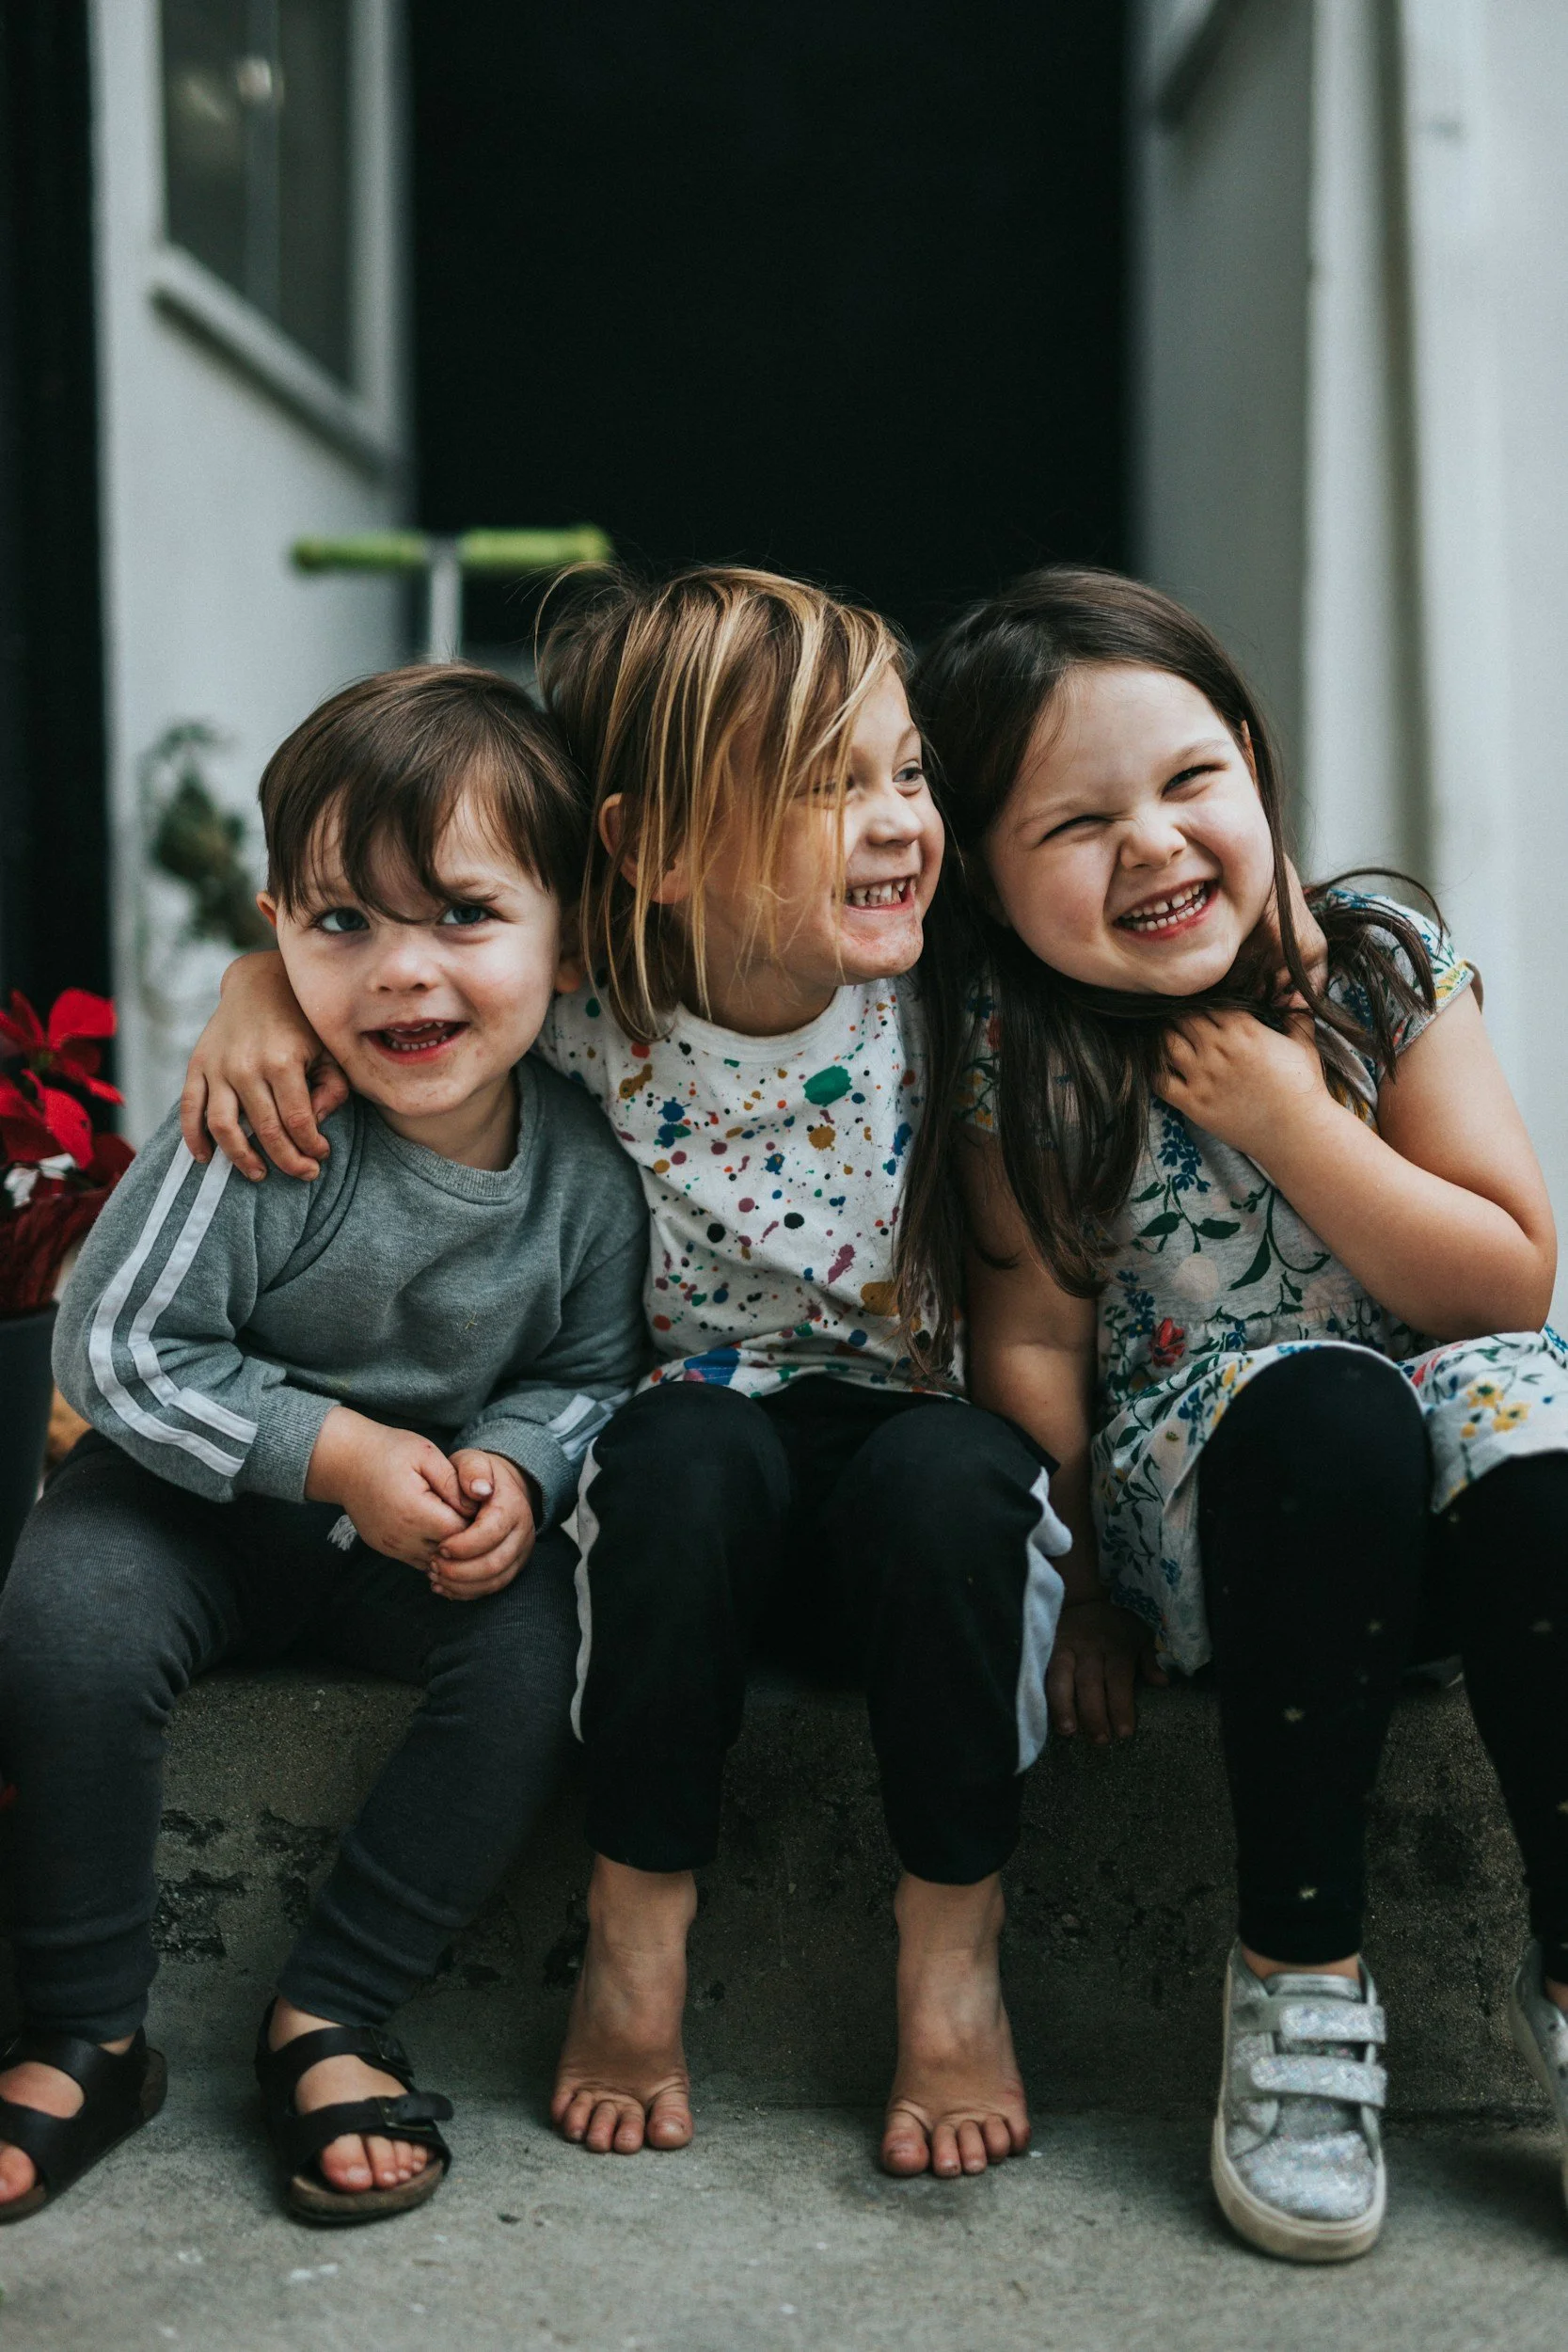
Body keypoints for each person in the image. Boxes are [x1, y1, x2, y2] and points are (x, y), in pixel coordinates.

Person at [177, 566, 1071, 2182]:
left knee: (959, 1481)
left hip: (910, 1489)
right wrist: (252, 990)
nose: (892, 820)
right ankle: (635, 1929)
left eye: (904, 772)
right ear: (653, 855)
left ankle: (952, 1957)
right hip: (683, 1508)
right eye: (824, 786)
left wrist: (1109, 1594)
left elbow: (1029, 1321)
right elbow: (415, 969)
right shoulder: (599, 1008)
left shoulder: (951, 1000)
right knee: (681, 1452)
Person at [907, 564, 1568, 2261]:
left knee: (1524, 1404)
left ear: (1255, 767)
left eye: (1190, 780)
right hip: (1236, 1535)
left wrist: (1291, 1118)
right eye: (1072, 823)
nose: (1151, 843)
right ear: (982, 872)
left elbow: (1504, 1280)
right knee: (1326, 1411)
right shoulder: (1022, 1054)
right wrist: (1085, 1595)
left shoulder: (1377, 966)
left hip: (1458, 1527)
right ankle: (1295, 1972)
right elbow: (1032, 1353)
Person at [0, 666, 649, 2225]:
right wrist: (332, 1449)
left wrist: (518, 1464)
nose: (400, 975)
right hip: (179, 1506)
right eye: (340, 922)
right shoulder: (267, 1122)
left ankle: (332, 2013)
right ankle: (87, 2027)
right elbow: (114, 1345)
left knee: (529, 1664)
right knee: (64, 1620)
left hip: (417, 1537)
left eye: (463, 918)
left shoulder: (586, 1175)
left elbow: (590, 1367)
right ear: (277, 927)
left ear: (568, 931)